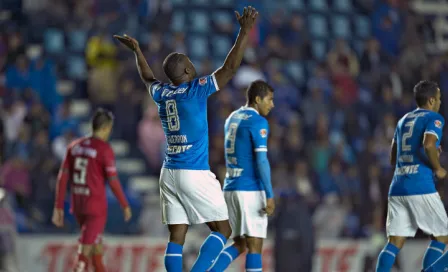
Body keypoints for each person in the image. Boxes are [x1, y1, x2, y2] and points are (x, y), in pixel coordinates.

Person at [114, 6, 259, 272]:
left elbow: (148, 78)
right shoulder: (195, 90)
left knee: (177, 236)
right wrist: (244, 32)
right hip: (193, 172)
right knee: (224, 229)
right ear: (188, 70)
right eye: (189, 63)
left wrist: (137, 51)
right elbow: (230, 68)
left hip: (169, 172)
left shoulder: (162, 93)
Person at [375, 81, 448, 272]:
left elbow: (393, 155)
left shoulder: (403, 120)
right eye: (439, 98)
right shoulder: (434, 118)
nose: (440, 102)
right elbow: (429, 144)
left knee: (394, 243)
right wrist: (438, 167)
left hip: (398, 186)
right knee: (442, 236)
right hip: (420, 185)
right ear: (431, 100)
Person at [51, 108, 132, 272]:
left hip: (79, 205)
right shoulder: (104, 149)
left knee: (96, 253)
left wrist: (58, 207)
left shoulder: (74, 146)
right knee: (83, 255)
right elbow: (114, 182)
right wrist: (124, 204)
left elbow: (62, 178)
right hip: (95, 209)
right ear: (106, 127)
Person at [210, 80, 275, 272]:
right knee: (255, 245)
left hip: (231, 187)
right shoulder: (258, 122)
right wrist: (269, 194)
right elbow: (261, 161)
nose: (272, 105)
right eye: (269, 100)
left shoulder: (232, 117)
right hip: (250, 189)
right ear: (257, 99)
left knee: (240, 244)